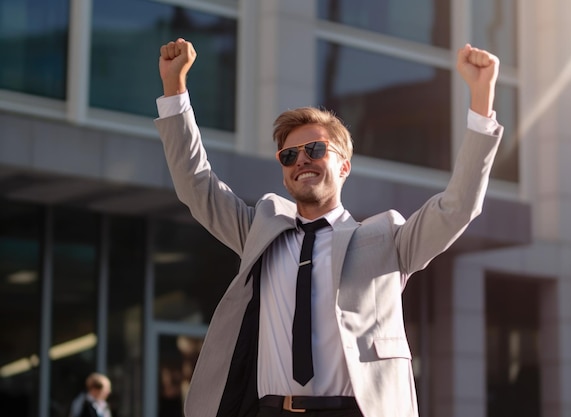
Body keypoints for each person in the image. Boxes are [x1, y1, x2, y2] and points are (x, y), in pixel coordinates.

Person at [155, 38, 503, 417]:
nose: (301, 160)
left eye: (316, 150)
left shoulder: (387, 240)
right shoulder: (259, 232)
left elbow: (456, 208)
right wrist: (175, 90)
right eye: (289, 156)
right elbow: (196, 184)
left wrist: (481, 101)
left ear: (344, 165)